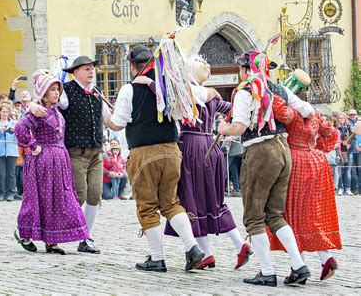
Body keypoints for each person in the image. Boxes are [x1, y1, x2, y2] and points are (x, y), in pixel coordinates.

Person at [104, 45, 205, 272]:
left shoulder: (129, 90)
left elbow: (118, 123)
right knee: (170, 203)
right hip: (171, 150)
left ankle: (157, 258)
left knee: (147, 206)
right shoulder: (169, 86)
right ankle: (192, 248)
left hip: (144, 153)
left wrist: (107, 118)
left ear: (132, 67)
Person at [217, 52, 313, 287]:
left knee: (254, 216)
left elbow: (239, 127)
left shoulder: (244, 91)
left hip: (261, 152)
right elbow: (307, 111)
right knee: (275, 214)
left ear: (245, 70)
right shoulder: (279, 89)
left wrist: (223, 127)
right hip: (283, 149)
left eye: (241, 68)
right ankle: (299, 265)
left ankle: (267, 272)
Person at [163, 56, 252, 270]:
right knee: (212, 201)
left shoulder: (185, 92)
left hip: (191, 145)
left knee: (191, 200)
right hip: (211, 146)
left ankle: (221, 249)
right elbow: (231, 109)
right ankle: (213, 252)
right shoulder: (210, 95)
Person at [266, 70, 341, 282]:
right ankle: (325, 258)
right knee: (312, 212)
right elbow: (332, 134)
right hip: (316, 163)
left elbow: (277, 108)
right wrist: (317, 148)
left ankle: (297, 265)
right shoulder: (315, 114)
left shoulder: (291, 111)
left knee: (290, 212)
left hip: (295, 161)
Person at [30, 59, 110, 254]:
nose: (91, 72)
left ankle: (86, 238)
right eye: (87, 69)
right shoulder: (66, 90)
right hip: (74, 152)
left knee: (95, 194)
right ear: (75, 72)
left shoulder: (97, 93)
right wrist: (32, 105)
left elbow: (109, 120)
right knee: (78, 194)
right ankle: (56, 231)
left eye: (92, 69)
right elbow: (45, 99)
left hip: (95, 153)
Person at [14, 70, 88, 254]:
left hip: (59, 160)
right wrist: (32, 144)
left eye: (57, 89)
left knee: (59, 199)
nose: (56, 93)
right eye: (52, 89)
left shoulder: (55, 110)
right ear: (44, 92)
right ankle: (24, 234)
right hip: (43, 162)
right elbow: (20, 127)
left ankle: (52, 239)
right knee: (39, 199)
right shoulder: (38, 111)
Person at [0, 102, 19, 201]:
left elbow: (19, 136)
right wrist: (0, 131)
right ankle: (1, 193)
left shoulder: (14, 123)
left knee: (11, 174)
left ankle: (11, 193)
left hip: (12, 151)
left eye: (7, 112)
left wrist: (15, 131)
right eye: (3, 112)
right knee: (1, 174)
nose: (5, 113)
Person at [337, 113, 353, 195]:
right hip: (339, 151)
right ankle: (340, 188)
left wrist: (349, 145)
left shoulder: (349, 128)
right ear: (337, 119)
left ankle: (348, 189)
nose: (341, 119)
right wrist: (340, 144)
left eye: (343, 118)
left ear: (345, 119)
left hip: (348, 151)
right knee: (340, 171)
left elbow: (353, 138)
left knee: (348, 170)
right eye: (340, 118)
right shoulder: (335, 128)